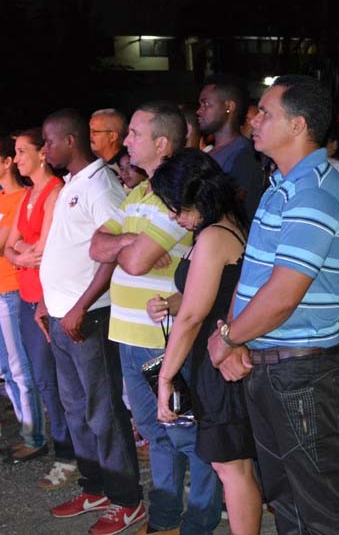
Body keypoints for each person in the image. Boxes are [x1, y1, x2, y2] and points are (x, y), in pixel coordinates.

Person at [208, 75, 339, 534]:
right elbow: (254, 277)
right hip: (274, 366)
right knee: (289, 503)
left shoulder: (314, 190)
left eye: (266, 113)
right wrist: (235, 339)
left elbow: (282, 294)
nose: (254, 120)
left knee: (324, 511)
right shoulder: (283, 185)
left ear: (297, 126)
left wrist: (227, 338)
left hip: (302, 373)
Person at [94, 102, 220, 535]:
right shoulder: (138, 192)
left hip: (162, 337)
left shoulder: (177, 191)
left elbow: (136, 262)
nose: (124, 142)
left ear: (161, 143)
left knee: (185, 433)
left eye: (132, 133)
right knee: (155, 432)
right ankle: (166, 518)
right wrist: (128, 239)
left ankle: (199, 522)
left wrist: (126, 247)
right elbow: (97, 245)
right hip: (129, 333)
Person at [35, 109, 143, 535]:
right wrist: (47, 302)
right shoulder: (71, 185)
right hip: (61, 314)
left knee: (103, 412)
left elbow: (115, 249)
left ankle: (126, 500)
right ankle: (95, 485)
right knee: (76, 408)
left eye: (48, 141)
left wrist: (81, 305)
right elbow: (66, 248)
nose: (45, 150)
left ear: (71, 141)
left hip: (89, 316)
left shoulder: (101, 185)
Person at [147, 149, 262, 535]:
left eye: (177, 207)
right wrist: (171, 302)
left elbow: (195, 315)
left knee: (233, 467)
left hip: (219, 362)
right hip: (215, 358)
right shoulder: (218, 228)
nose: (173, 216)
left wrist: (166, 377)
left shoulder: (214, 235)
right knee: (229, 464)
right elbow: (203, 295)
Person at [4, 128, 76, 479]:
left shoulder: (55, 191)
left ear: (41, 154)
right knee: (42, 378)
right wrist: (20, 255)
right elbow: (9, 246)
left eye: (20, 151)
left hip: (47, 297)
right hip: (26, 292)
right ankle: (63, 448)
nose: (16, 158)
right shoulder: (29, 194)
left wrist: (19, 253)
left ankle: (68, 452)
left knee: (53, 379)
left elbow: (44, 250)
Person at [0, 136, 42, 452]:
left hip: (10, 291)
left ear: (7, 163)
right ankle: (26, 429)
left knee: (18, 367)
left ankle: (34, 436)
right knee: (4, 368)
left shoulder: (19, 198)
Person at [196, 75, 265, 219]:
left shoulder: (245, 154)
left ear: (229, 107)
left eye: (206, 104)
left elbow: (230, 206)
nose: (199, 111)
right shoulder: (209, 154)